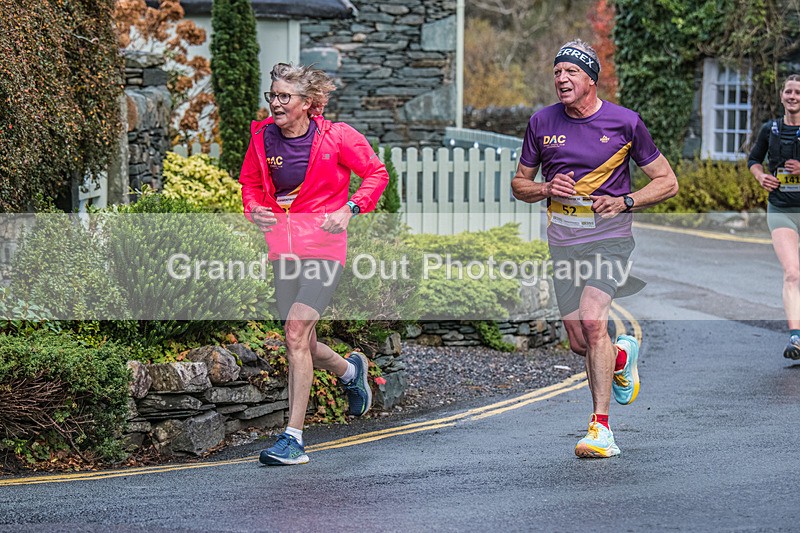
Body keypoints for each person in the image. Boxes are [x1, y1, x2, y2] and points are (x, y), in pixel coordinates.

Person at [511, 39, 679, 458]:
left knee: (591, 319)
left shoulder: (625, 123)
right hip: (562, 243)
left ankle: (601, 429)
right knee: (581, 341)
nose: (561, 79)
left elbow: (667, 181)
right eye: (556, 73)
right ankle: (621, 356)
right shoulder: (541, 122)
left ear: (590, 78)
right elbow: (518, 185)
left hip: (609, 238)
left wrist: (625, 201)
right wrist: (546, 187)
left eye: (570, 72)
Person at [239, 63, 389, 465]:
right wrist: (254, 209)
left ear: (308, 103)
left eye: (284, 97)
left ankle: (293, 439)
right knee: (302, 342)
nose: (275, 103)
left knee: (294, 333)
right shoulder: (261, 138)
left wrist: (351, 208)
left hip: (324, 248)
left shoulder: (336, 136)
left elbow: (376, 173)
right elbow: (250, 185)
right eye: (272, 95)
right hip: (283, 250)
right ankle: (350, 372)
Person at [748, 74, 800, 360]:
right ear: (781, 96)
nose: (793, 96)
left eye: (798, 93)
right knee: (792, 273)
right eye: (789, 92)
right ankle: (796, 337)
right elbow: (753, 159)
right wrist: (761, 177)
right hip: (781, 209)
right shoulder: (771, 129)